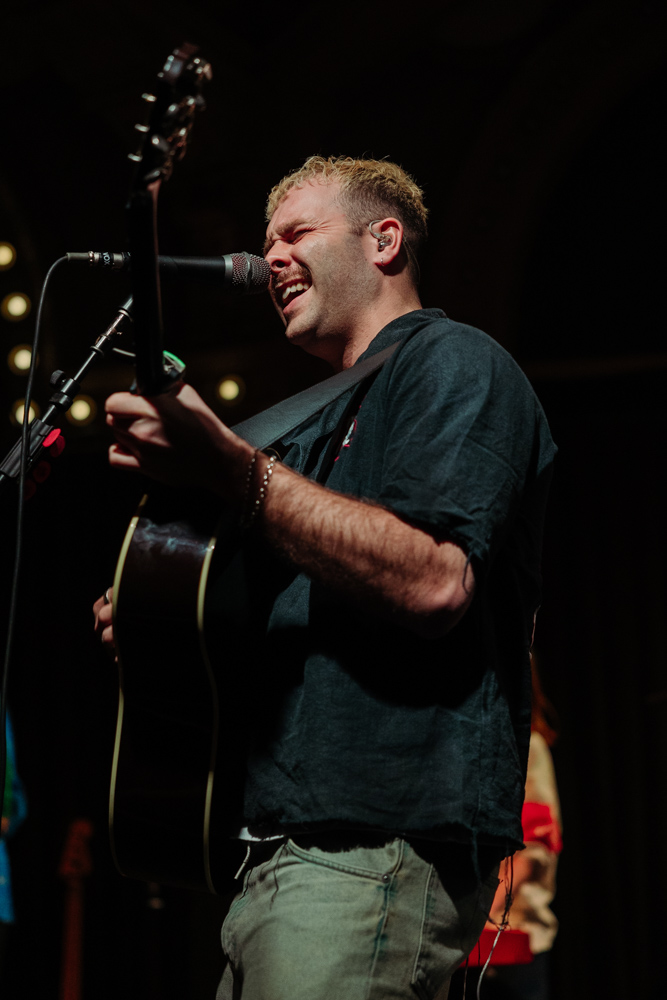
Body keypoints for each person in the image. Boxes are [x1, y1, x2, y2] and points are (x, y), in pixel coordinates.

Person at [93, 156, 556, 1000]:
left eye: (297, 232)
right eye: (265, 240)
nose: (270, 256)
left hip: (374, 850)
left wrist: (236, 473)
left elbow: (433, 583)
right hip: (269, 854)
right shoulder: (306, 428)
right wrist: (164, 618)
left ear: (383, 240)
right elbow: (283, 636)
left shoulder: (454, 363)